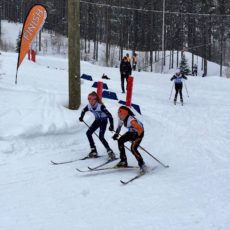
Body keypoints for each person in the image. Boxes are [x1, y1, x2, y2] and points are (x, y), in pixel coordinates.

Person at [79, 91, 116, 160]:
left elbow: (110, 116)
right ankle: (93, 151)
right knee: (88, 133)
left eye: (93, 99)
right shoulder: (89, 106)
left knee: (101, 136)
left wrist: (111, 126)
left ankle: (110, 151)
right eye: (89, 99)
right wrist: (81, 117)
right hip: (97, 121)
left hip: (103, 121)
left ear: (96, 100)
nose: (91, 101)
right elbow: (83, 110)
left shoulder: (100, 106)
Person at [112, 106, 146, 173]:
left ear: (125, 114)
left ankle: (142, 164)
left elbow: (140, 129)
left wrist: (137, 139)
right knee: (120, 141)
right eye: (118, 113)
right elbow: (119, 127)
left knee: (133, 148)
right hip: (131, 132)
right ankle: (123, 161)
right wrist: (116, 134)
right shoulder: (121, 119)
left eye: (120, 113)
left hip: (139, 133)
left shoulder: (131, 120)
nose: (119, 115)